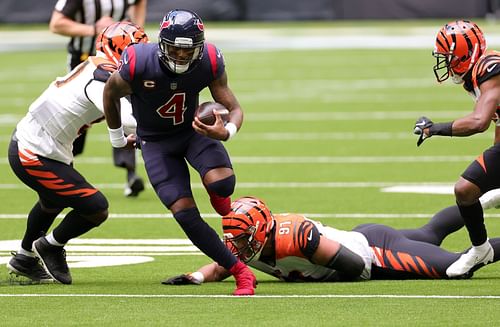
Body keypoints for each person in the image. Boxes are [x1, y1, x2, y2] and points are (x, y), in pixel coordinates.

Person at [102, 9, 255, 296]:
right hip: (156, 143)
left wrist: (227, 132)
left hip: (192, 131)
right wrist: (116, 138)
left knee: (223, 183)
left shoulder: (209, 59)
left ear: (199, 49)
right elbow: (110, 93)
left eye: (189, 51)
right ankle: (240, 272)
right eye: (175, 50)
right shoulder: (138, 61)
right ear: (162, 45)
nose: (182, 57)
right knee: (185, 214)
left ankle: (220, 203)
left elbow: (234, 108)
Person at [6, 22, 149, 284]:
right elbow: (127, 118)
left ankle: (24, 258)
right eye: (134, 52)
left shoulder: (98, 65)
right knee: (96, 207)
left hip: (46, 144)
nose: (139, 59)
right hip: (34, 151)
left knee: (52, 201)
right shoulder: (101, 76)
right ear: (119, 51)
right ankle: (50, 245)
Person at [163, 196, 500, 285]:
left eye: (242, 238)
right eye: (233, 239)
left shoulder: (295, 236)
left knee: (459, 267)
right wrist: (197, 276)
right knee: (428, 234)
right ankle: (476, 202)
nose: (237, 246)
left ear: (262, 231)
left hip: (374, 254)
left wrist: (306, 275)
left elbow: (353, 268)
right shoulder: (251, 242)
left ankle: (477, 200)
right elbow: (227, 264)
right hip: (365, 237)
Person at [413, 20, 500, 277]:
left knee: (465, 188)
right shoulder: (479, 72)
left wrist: (434, 128)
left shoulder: (489, 69)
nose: (445, 63)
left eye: (448, 57)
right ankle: (481, 248)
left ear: (465, 54)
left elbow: (479, 122)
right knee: (466, 189)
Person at [49, 0, 148, 197]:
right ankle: (62, 169)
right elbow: (56, 23)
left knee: (126, 109)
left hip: (121, 60)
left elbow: (140, 2)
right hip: (86, 59)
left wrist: (136, 28)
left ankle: (130, 174)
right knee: (79, 115)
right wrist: (93, 29)